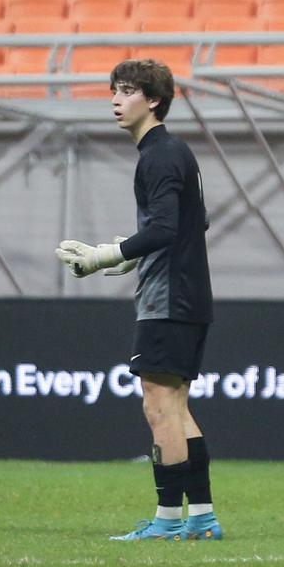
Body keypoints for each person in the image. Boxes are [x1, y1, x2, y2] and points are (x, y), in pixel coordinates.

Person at [55, 59, 220, 542]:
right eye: (113, 90)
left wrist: (106, 256)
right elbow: (194, 222)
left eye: (127, 91)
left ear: (153, 100)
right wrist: (134, 254)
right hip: (186, 293)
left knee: (158, 406)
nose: (115, 99)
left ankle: (168, 520)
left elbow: (168, 227)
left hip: (169, 296)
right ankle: (202, 518)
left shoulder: (159, 155)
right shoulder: (172, 153)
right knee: (177, 407)